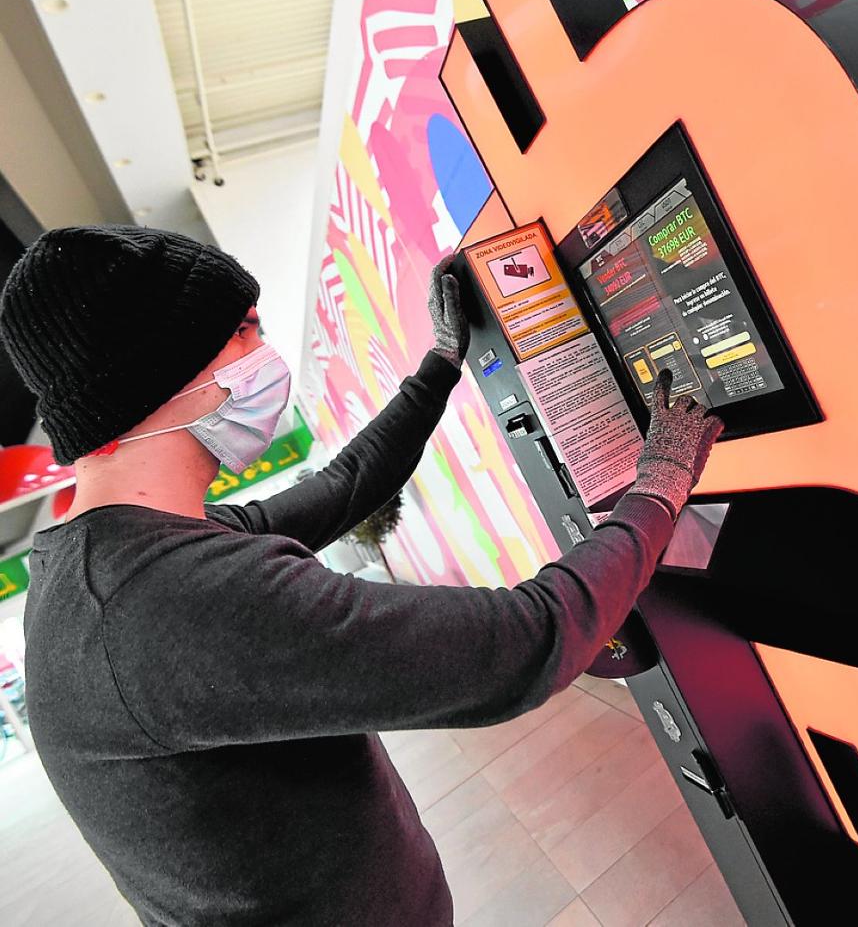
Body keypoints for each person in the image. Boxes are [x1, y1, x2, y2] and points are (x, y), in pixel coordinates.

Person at [0, 225, 722, 926]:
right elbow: (524, 643)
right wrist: (659, 484)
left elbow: (347, 485)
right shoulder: (169, 603)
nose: (266, 353)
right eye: (244, 332)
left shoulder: (116, 556)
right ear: (159, 374)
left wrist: (442, 362)